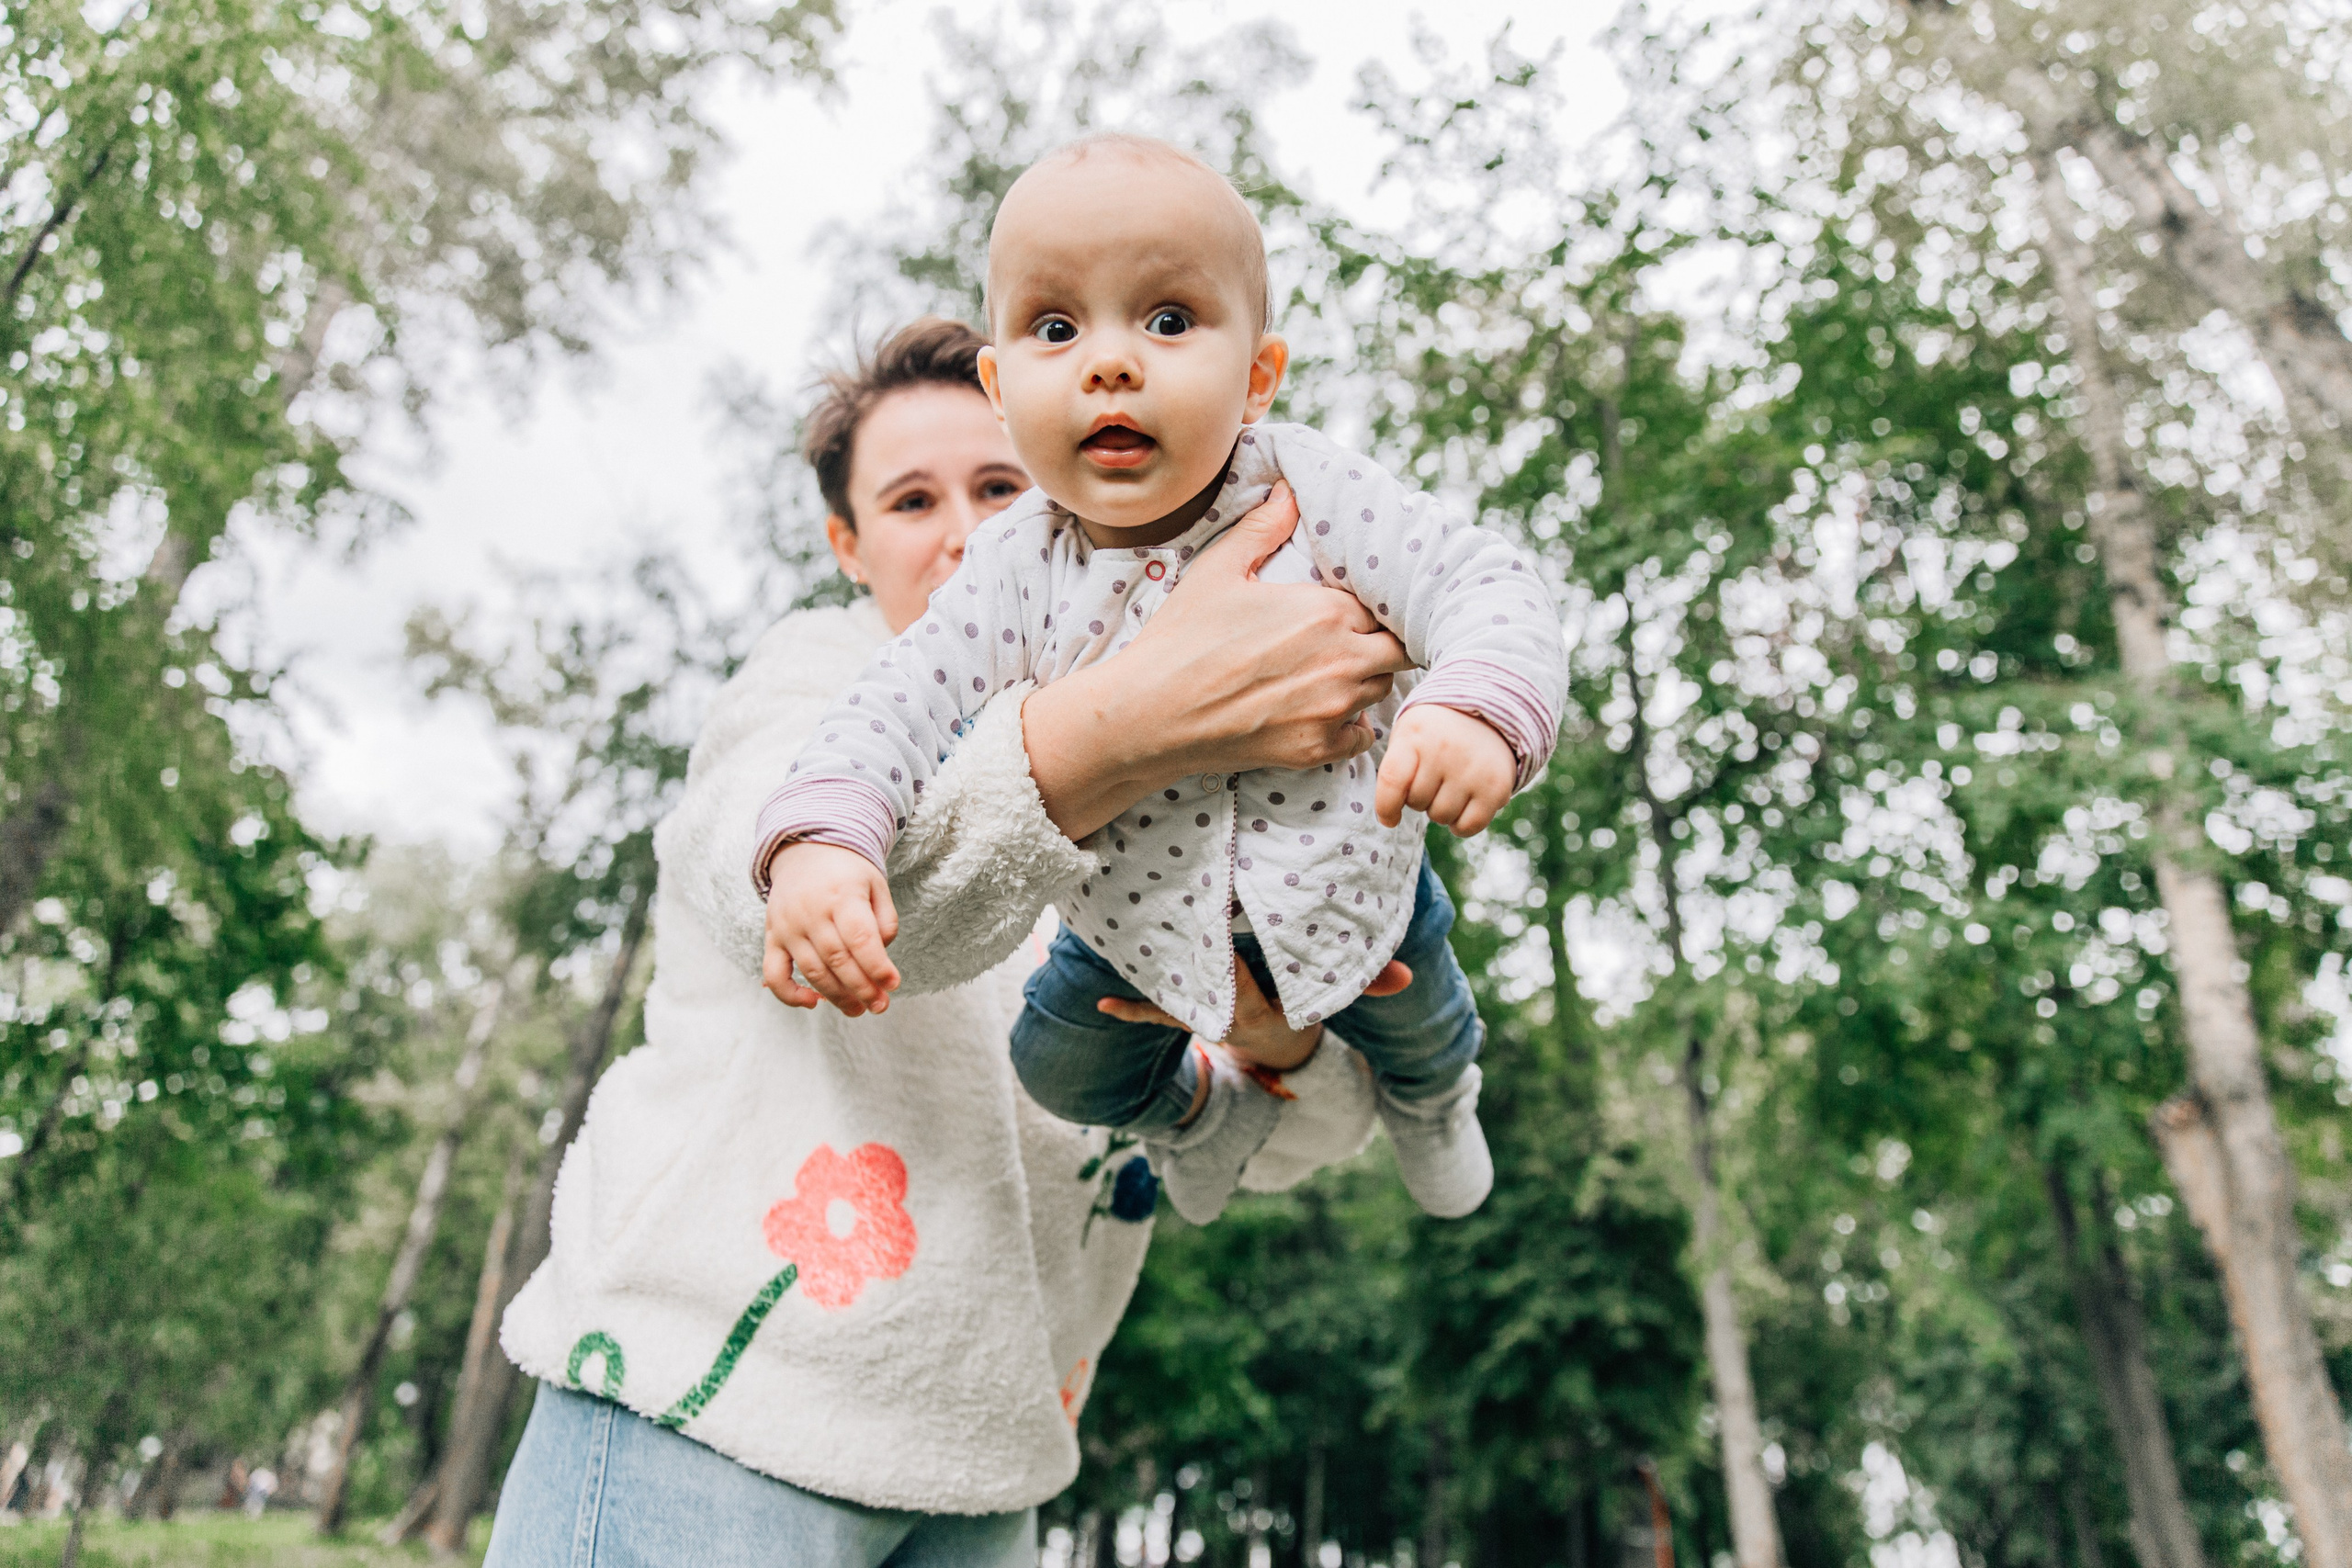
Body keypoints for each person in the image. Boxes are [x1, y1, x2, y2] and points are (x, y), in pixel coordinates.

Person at [483, 318, 1411, 1567]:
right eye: (912, 498)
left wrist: (1272, 1035)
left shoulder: (1182, 784)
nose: (966, 529)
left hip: (987, 1459)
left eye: (999, 483)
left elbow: (1292, 1126)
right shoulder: (815, 677)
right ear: (848, 544)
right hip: (712, 1401)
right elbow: (830, 910)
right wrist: (1140, 712)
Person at [758, 135, 1568, 1226]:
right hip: (1131, 930)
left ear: (1258, 378)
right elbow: (896, 704)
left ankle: (1435, 1101)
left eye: (1169, 320)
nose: (1109, 362)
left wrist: (1475, 701)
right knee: (1056, 1064)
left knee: (1423, 1025)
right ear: (1002, 387)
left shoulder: (1312, 494)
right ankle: (1196, 1117)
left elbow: (1478, 577)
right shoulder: (1015, 570)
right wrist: (824, 837)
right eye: (1057, 328)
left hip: (1353, 882)